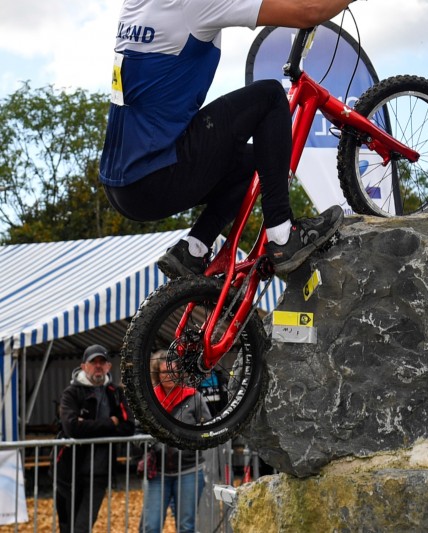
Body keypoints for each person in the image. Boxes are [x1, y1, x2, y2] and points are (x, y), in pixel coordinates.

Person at [99, 0, 353, 278]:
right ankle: (282, 236)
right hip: (158, 175)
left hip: (123, 185)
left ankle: (193, 249)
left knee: (260, 161)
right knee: (269, 96)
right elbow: (308, 11)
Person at [55, 344, 135, 533]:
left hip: (100, 472)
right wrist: (110, 422)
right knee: (67, 525)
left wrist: (88, 425)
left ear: (109, 367)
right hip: (69, 470)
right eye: (93, 362)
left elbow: (129, 426)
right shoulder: (71, 393)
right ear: (84, 366)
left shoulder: (116, 393)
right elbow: (72, 427)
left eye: (102, 362)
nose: (98, 366)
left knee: (82, 527)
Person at [139, 351, 212, 533]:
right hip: (157, 472)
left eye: (174, 371)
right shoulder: (148, 399)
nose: (170, 376)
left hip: (189, 470)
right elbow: (138, 432)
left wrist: (192, 442)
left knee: (186, 526)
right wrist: (150, 445)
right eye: (165, 372)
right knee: (151, 526)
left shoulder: (194, 397)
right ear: (157, 374)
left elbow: (207, 428)